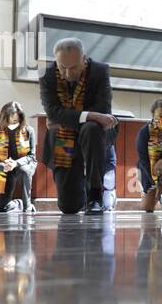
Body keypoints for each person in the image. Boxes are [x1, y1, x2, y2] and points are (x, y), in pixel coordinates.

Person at [40, 37, 117, 215]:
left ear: (84, 59)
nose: (67, 74)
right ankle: (79, 187)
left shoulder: (100, 71)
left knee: (92, 129)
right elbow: (52, 113)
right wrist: (89, 115)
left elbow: (103, 110)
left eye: (73, 68)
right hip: (62, 138)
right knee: (69, 207)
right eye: (62, 67)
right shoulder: (47, 75)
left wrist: (67, 117)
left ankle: (95, 195)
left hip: (94, 133)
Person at [0, 101, 37, 212]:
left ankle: (27, 204)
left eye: (15, 120)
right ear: (3, 118)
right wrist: (3, 166)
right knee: (1, 207)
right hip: (4, 168)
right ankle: (20, 204)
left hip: (23, 165)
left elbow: (31, 156)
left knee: (24, 170)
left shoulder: (29, 130)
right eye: (9, 120)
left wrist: (16, 163)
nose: (12, 123)